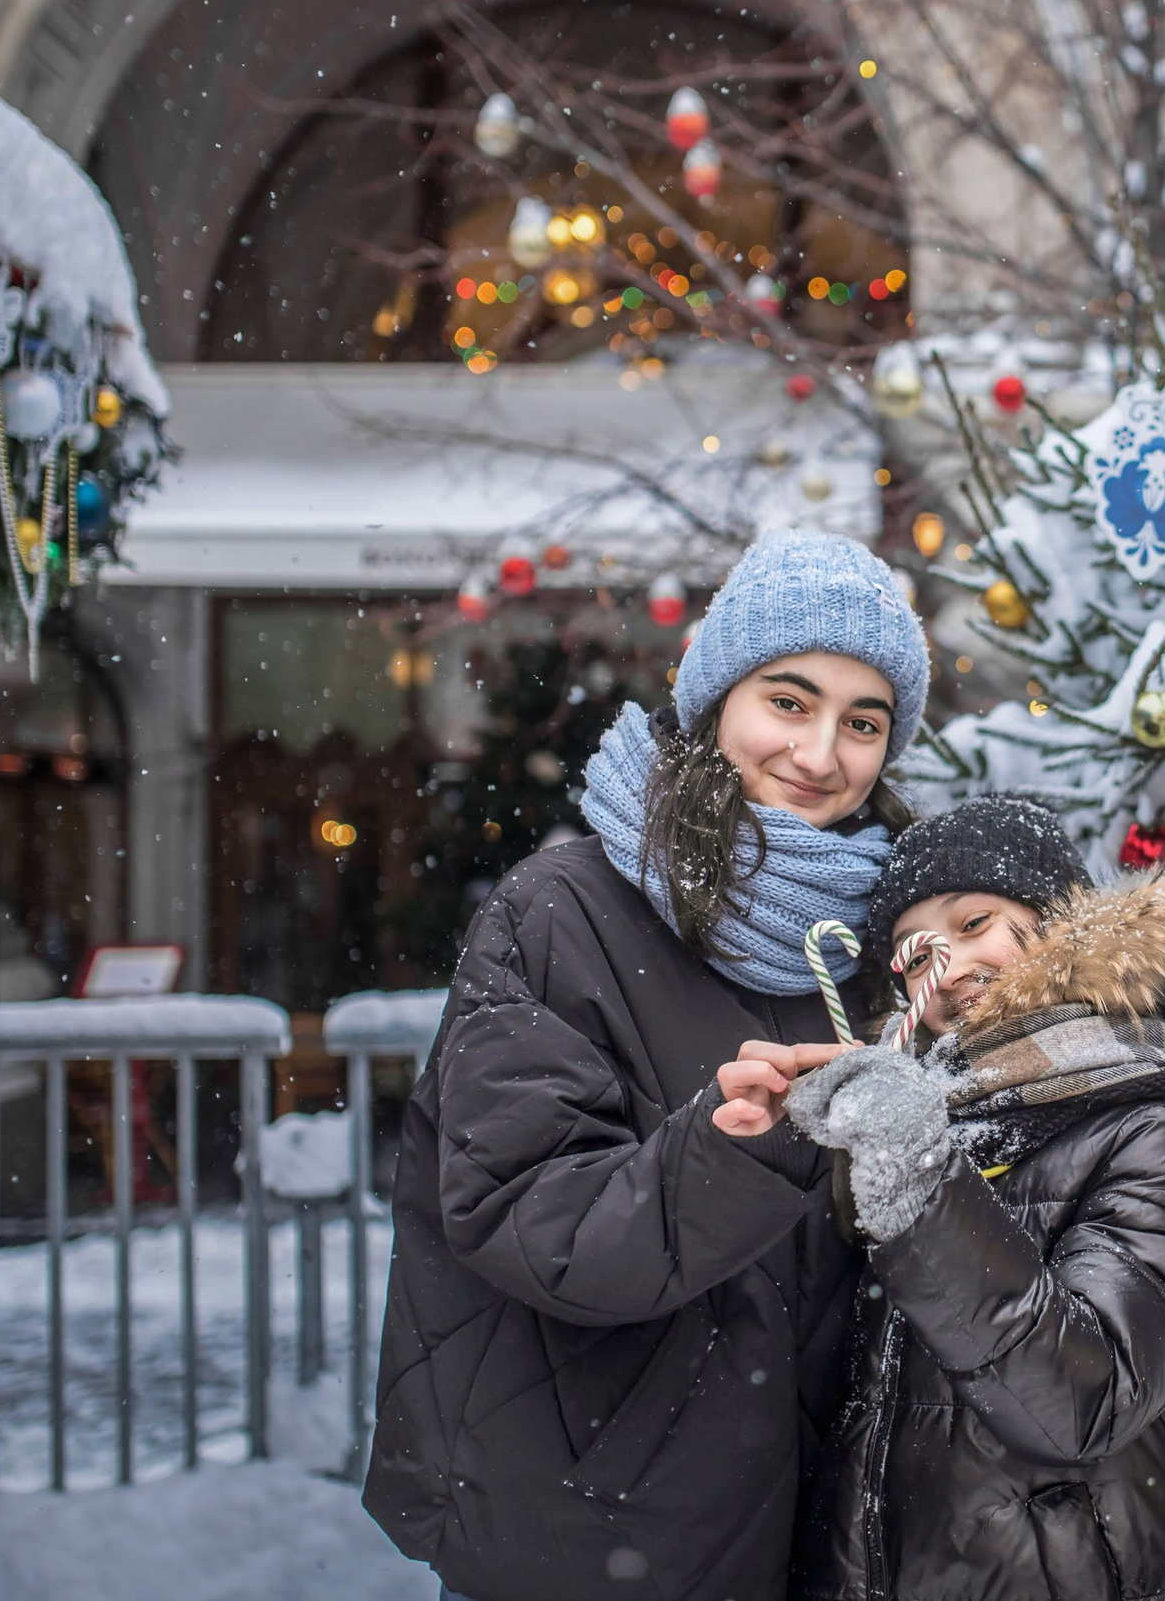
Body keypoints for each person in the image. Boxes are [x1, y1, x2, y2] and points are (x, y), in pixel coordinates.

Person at [362, 527, 930, 1601]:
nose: (820, 754)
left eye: (865, 721)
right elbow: (536, 1222)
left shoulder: (888, 943)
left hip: (820, 1526)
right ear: (715, 698)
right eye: (790, 700)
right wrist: (725, 1149)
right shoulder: (560, 912)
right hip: (594, 1517)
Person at [774, 795, 1165, 1601]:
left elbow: (1083, 1400)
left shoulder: (1156, 1128)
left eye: (974, 924)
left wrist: (919, 1176)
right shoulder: (935, 1117)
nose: (951, 968)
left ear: (1059, 921)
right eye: (917, 954)